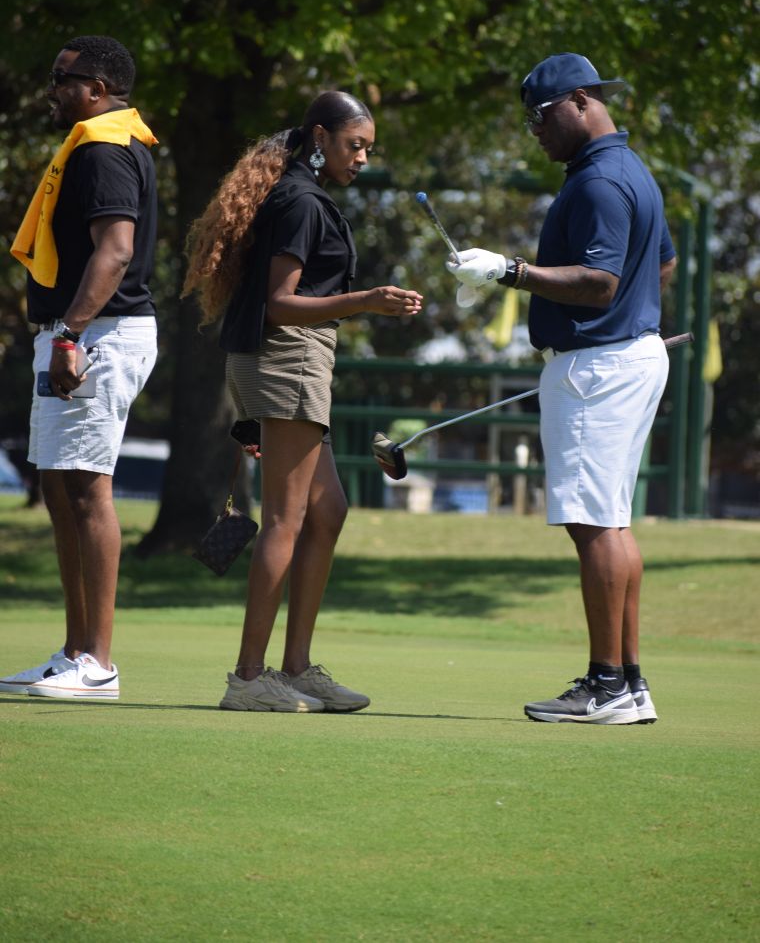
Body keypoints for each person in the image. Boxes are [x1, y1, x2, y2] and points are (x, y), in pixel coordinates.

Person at [446, 53, 677, 725]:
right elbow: (661, 264)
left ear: (579, 101)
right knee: (612, 520)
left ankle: (607, 686)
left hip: (596, 369)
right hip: (623, 356)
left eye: (541, 116)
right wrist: (632, 319)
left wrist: (512, 272)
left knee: (594, 523)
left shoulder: (601, 182)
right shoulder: (628, 170)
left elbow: (602, 282)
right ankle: (628, 684)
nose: (535, 130)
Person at [183, 90, 423, 713]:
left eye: (369, 147)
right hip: (284, 354)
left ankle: (293, 670)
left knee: (329, 511)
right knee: (288, 519)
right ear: (321, 138)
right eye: (355, 145)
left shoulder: (300, 195)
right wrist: (368, 299)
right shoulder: (299, 200)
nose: (364, 158)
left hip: (298, 358)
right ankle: (247, 677)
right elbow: (281, 303)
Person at [1, 36, 159, 702]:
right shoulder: (102, 142)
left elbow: (115, 250)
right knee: (60, 489)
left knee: (89, 490)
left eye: (62, 78)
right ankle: (73, 653)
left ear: (96, 86)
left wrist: (71, 332)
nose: (53, 88)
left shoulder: (102, 148)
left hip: (99, 334)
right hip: (79, 333)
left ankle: (99, 662)